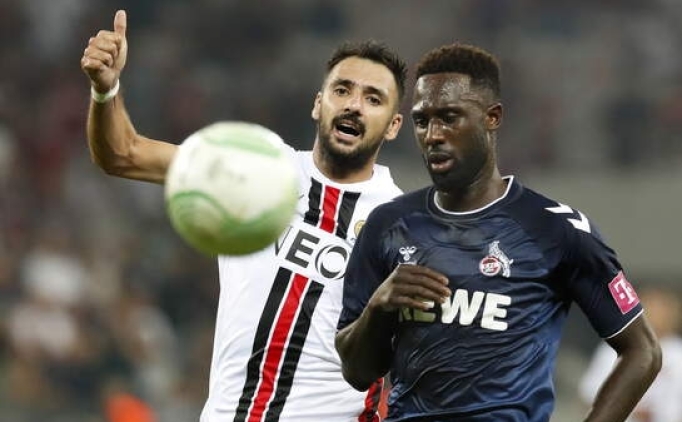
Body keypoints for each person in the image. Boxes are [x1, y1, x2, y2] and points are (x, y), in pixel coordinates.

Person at [81, 9, 406, 422]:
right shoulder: (254, 169)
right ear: (317, 104)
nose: (354, 106)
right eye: (342, 90)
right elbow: (122, 154)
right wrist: (105, 90)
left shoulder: (403, 224)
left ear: (393, 125)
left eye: (373, 99)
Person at [335, 43, 662, 422]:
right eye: (422, 121)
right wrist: (379, 306)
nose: (433, 135)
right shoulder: (388, 226)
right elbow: (357, 373)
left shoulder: (556, 230)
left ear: (492, 117)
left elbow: (643, 351)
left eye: (449, 117)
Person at [580, 285, 682, 422]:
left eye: (662, 310)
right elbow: (590, 394)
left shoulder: (678, 353)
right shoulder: (614, 346)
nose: (656, 314)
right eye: (650, 307)